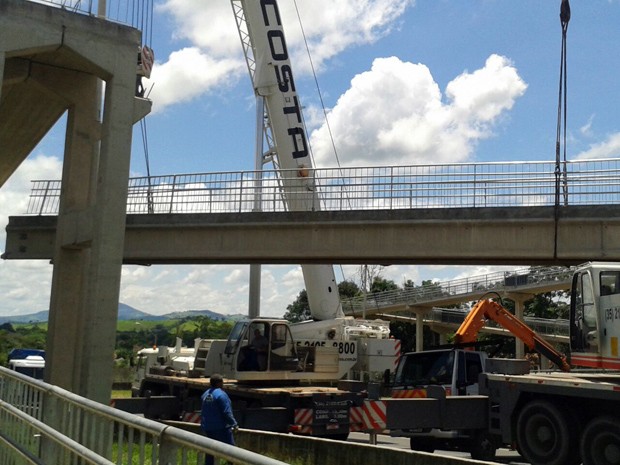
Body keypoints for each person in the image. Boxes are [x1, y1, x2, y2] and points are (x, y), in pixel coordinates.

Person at [200, 374, 238, 465]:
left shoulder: (205, 394)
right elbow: (226, 412)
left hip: (208, 427)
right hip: (221, 428)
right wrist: (234, 424)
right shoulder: (221, 395)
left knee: (210, 451)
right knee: (231, 451)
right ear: (219, 383)